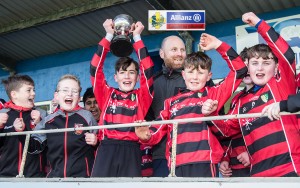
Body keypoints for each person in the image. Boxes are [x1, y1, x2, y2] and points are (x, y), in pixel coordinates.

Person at [135, 33, 247, 177]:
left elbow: (240, 70)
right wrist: (146, 135)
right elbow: (158, 128)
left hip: (205, 162)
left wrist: (218, 45)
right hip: (177, 163)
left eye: (200, 73)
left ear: (209, 76)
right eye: (190, 72)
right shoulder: (171, 102)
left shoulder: (213, 93)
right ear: (183, 74)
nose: (195, 77)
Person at [202, 12, 299, 177]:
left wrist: (258, 23)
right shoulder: (240, 102)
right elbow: (225, 131)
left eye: (266, 63)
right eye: (255, 63)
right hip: (258, 176)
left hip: (291, 171)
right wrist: (210, 114)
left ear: (276, 68)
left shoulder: (281, 83)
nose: (260, 68)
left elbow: (287, 54)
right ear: (249, 68)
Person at [90, 19, 154, 177]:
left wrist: (137, 38)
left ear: (137, 77)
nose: (127, 76)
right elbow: (95, 69)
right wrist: (109, 35)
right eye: (123, 72)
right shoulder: (106, 93)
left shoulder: (142, 96)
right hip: (106, 148)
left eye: (131, 72)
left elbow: (148, 70)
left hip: (132, 149)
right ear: (115, 77)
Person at [29, 74, 98, 178]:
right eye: (65, 90)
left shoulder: (87, 116)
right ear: (56, 96)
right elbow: (34, 148)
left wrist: (96, 142)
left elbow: (101, 146)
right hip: (56, 180)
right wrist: (20, 131)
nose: (70, 94)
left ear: (79, 98)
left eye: (74, 91)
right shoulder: (48, 121)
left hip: (83, 180)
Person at [145, 35, 186, 177]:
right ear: (162, 54)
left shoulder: (194, 79)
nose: (179, 53)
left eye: (182, 49)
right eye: (174, 49)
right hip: (160, 154)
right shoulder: (153, 83)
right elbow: (148, 117)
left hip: (189, 153)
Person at [0, 74, 45, 177]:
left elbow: (40, 147)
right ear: (14, 94)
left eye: (34, 90)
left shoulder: (41, 114)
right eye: (29, 90)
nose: (33, 94)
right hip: (6, 176)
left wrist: (38, 123)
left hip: (34, 177)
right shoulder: (2, 114)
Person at [218, 48, 252, 177]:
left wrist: (251, 153)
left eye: (250, 65)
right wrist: (225, 159)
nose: (247, 71)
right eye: (244, 67)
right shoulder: (236, 98)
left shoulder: (268, 95)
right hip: (235, 165)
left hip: (258, 165)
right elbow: (230, 134)